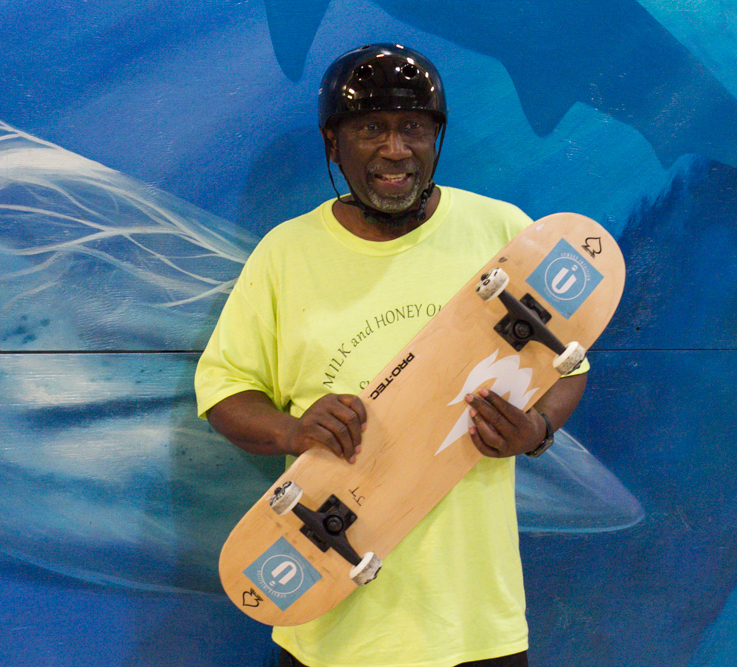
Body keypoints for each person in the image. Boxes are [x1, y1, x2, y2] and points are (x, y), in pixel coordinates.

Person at [195, 43, 588, 667]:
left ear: (436, 138)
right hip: (330, 628)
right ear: (333, 144)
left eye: (414, 128)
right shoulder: (286, 253)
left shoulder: (502, 233)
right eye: (370, 128)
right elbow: (224, 389)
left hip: (475, 627)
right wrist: (293, 431)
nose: (396, 149)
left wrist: (536, 430)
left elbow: (570, 364)